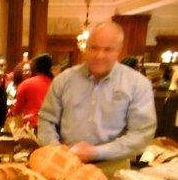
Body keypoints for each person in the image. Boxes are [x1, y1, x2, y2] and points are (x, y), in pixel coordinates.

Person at [38, 22, 157, 162]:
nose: (99, 55)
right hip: (65, 164)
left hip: (112, 167)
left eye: (108, 49)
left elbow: (142, 134)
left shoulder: (137, 84)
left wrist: (97, 152)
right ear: (86, 47)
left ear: (119, 50)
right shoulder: (64, 80)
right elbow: (46, 120)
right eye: (94, 48)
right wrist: (56, 150)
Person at [9, 54, 53, 129]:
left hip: (31, 126)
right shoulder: (55, 84)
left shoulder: (26, 84)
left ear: (35, 68)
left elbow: (18, 110)